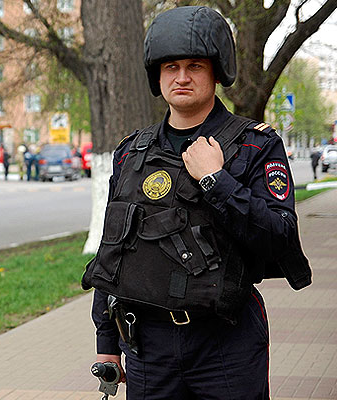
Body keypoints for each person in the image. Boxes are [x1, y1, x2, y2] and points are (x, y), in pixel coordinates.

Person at [81, 6, 311, 399]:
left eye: (194, 66)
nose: (182, 77)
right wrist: (108, 343)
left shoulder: (255, 145)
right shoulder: (131, 153)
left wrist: (216, 181)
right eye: (171, 66)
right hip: (147, 346)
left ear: (217, 72)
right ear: (158, 75)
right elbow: (114, 252)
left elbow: (280, 237)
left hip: (226, 342)